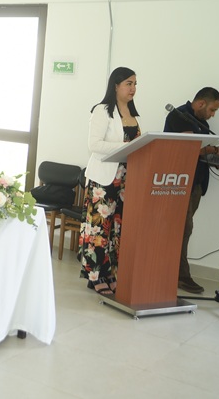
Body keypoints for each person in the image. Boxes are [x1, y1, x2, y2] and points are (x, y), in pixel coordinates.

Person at [78, 67, 140, 295]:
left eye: (135, 84)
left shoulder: (133, 114)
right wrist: (126, 147)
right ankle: (96, 276)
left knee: (116, 231)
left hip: (125, 181)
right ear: (116, 85)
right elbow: (94, 145)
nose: (133, 88)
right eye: (129, 83)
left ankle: (110, 274)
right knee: (99, 231)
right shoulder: (102, 110)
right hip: (103, 181)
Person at [164, 87, 219, 294]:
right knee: (184, 229)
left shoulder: (203, 123)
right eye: (212, 109)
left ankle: (173, 272)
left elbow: (200, 152)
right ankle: (181, 276)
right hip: (180, 183)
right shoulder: (178, 117)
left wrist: (217, 159)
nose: (213, 114)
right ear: (201, 104)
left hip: (196, 184)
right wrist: (213, 149)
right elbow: (186, 149)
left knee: (183, 230)